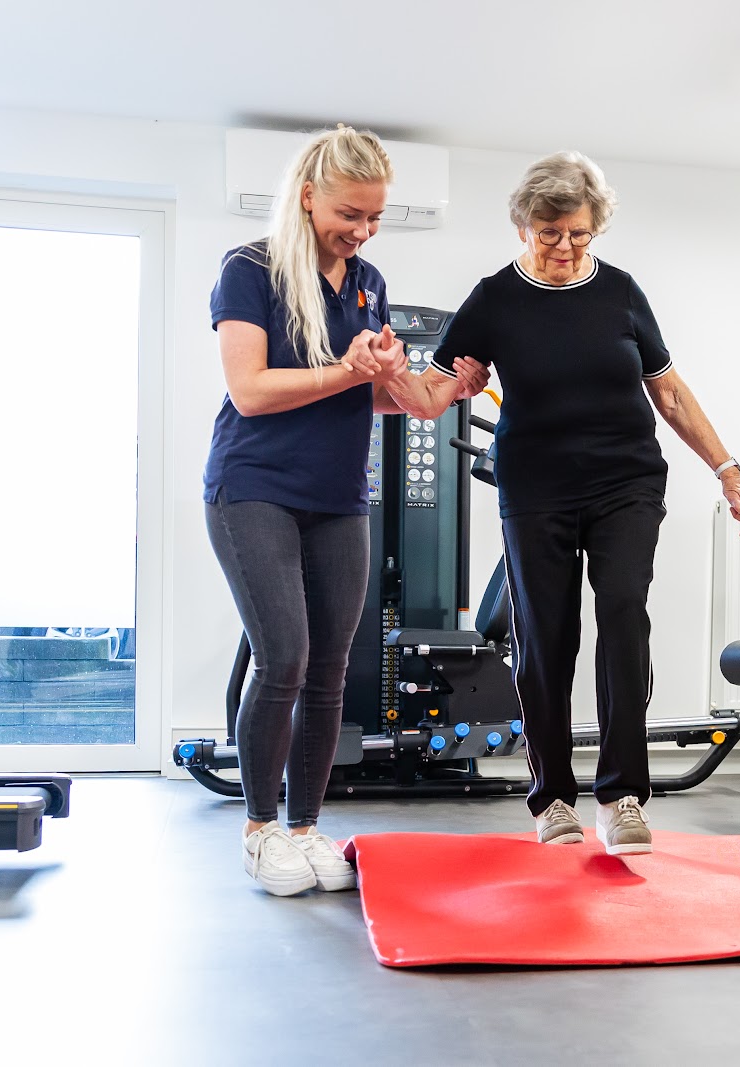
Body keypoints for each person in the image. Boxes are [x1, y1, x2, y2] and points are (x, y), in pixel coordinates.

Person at [382, 151, 740, 856]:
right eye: (548, 232)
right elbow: (431, 395)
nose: (563, 247)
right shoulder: (495, 298)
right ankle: (554, 796)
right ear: (524, 225)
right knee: (546, 635)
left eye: (578, 234)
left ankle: (621, 797)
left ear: (596, 228)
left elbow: (670, 393)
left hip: (627, 481)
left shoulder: (620, 292)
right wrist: (400, 375)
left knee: (624, 614)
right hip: (536, 486)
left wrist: (728, 469)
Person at [204, 126, 489, 896]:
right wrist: (346, 370)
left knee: (330, 670)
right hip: (253, 488)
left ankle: (305, 828)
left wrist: (443, 389)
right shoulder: (250, 268)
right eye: (348, 213)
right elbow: (252, 391)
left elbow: (387, 394)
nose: (360, 230)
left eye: (372, 217)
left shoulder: (367, 282)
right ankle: (261, 829)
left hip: (338, 496)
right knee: (285, 659)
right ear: (307, 195)